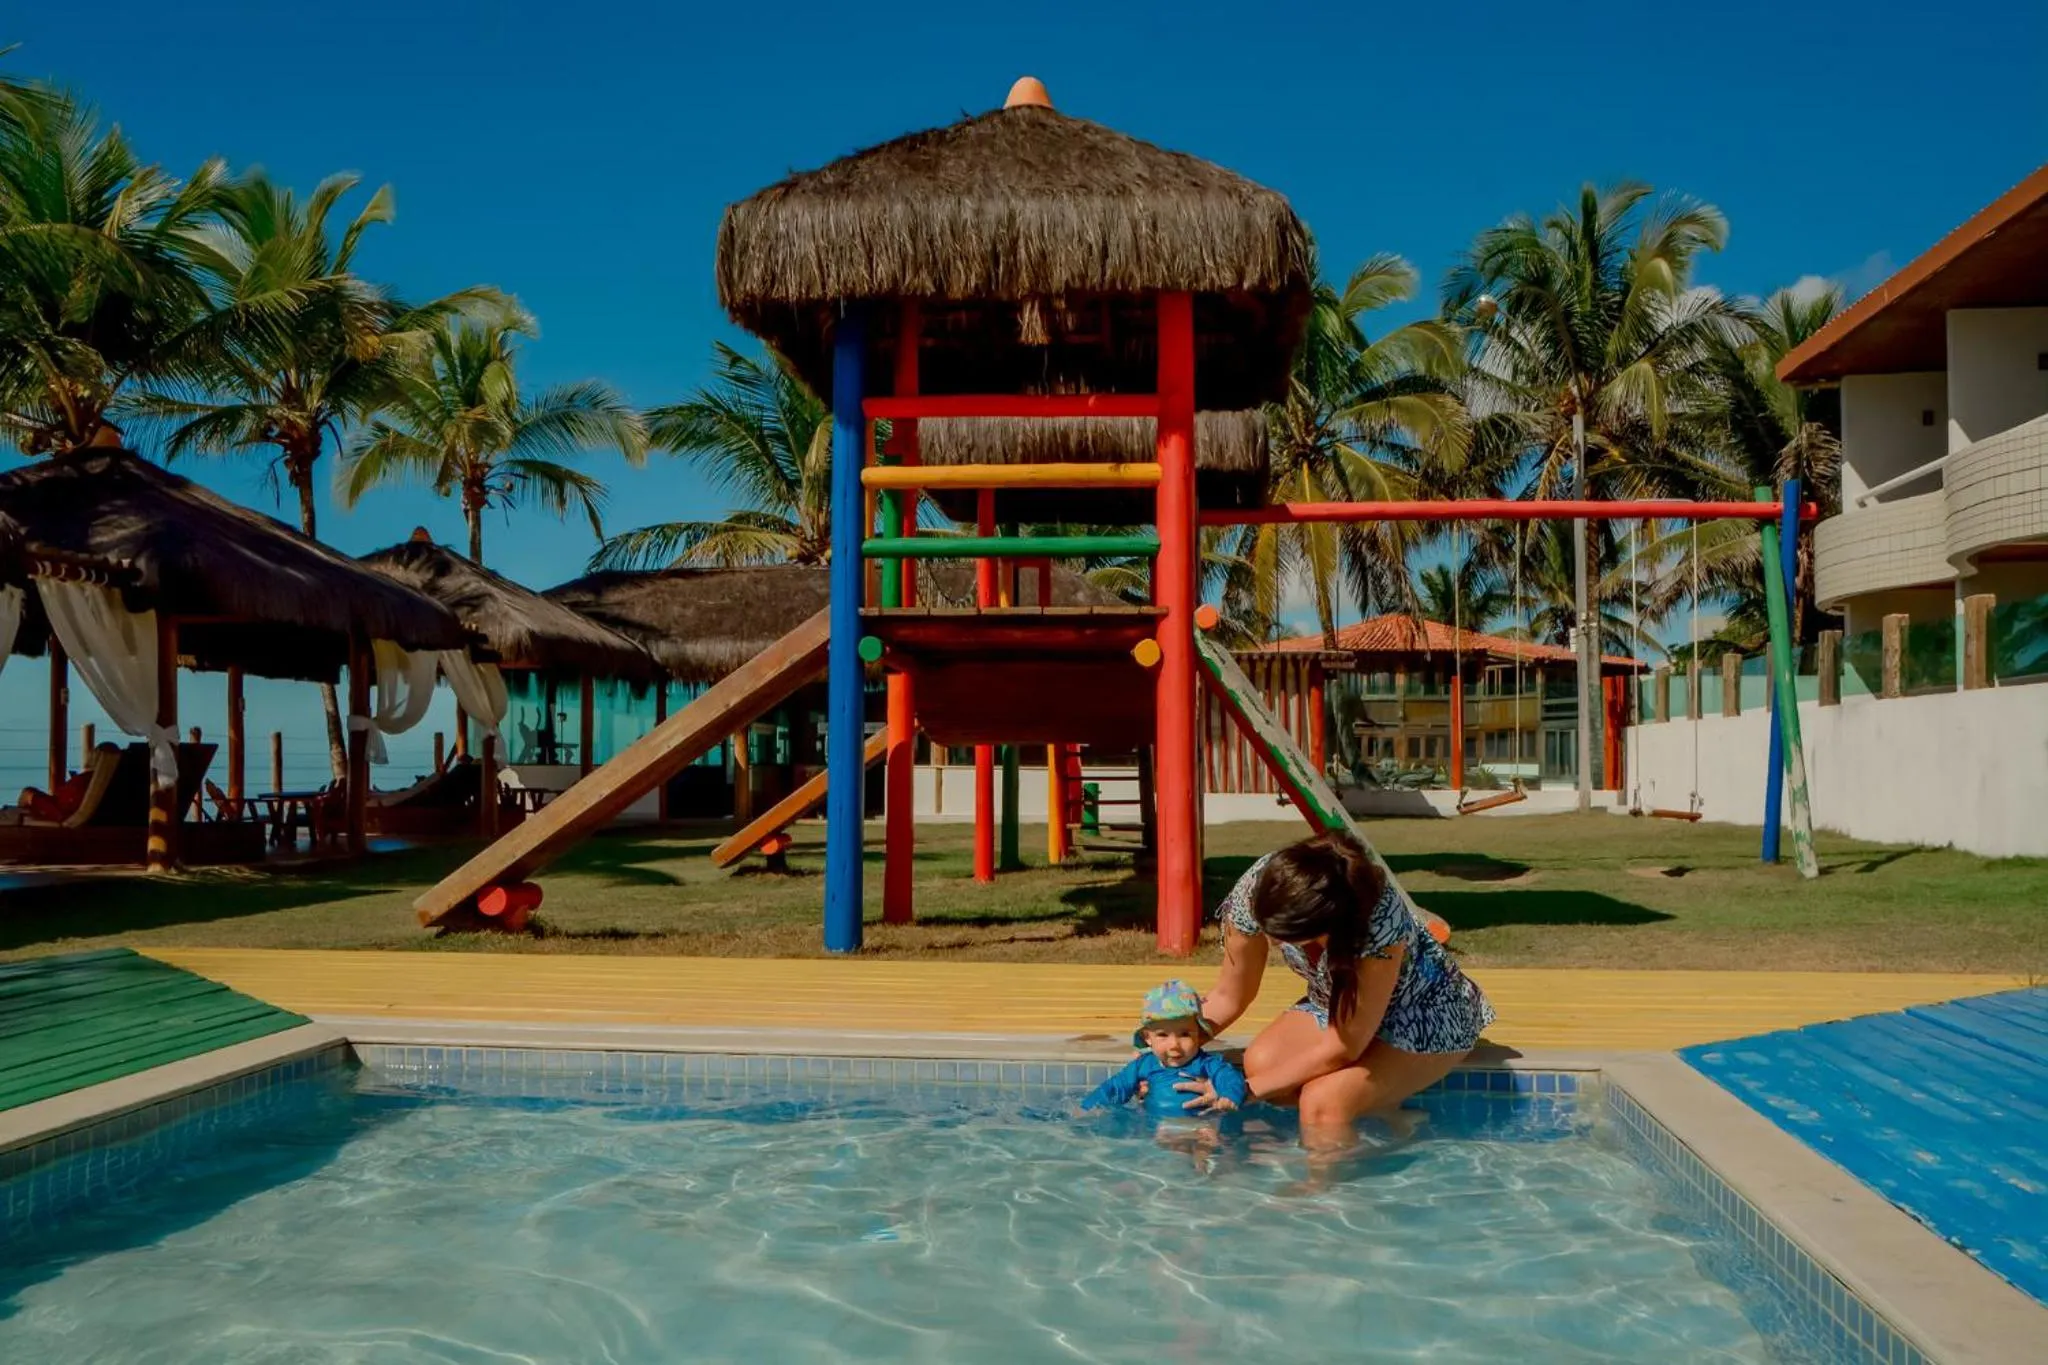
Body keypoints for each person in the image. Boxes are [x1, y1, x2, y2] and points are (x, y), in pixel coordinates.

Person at [1174, 831, 1494, 1153]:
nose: (1272, 943)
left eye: (1284, 937)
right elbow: (1229, 996)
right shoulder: (1261, 890)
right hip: (1338, 1008)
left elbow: (1344, 1046)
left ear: (1329, 925)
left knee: (1323, 1105)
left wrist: (1242, 1089)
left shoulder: (1376, 924)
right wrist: (1166, 1043)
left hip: (1425, 1013)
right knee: (1263, 1064)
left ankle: (1327, 1196)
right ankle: (1387, 1115)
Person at [1082, 980, 1249, 1119]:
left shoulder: (1205, 1063)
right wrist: (1087, 1108)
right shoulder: (1144, 1065)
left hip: (1200, 1125)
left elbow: (1228, 1075)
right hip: (1159, 1126)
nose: (1174, 1044)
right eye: (1163, 1035)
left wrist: (1229, 1095)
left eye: (1184, 1034)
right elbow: (1116, 1086)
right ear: (1148, 1038)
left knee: (1205, 1144)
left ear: (1198, 1034)